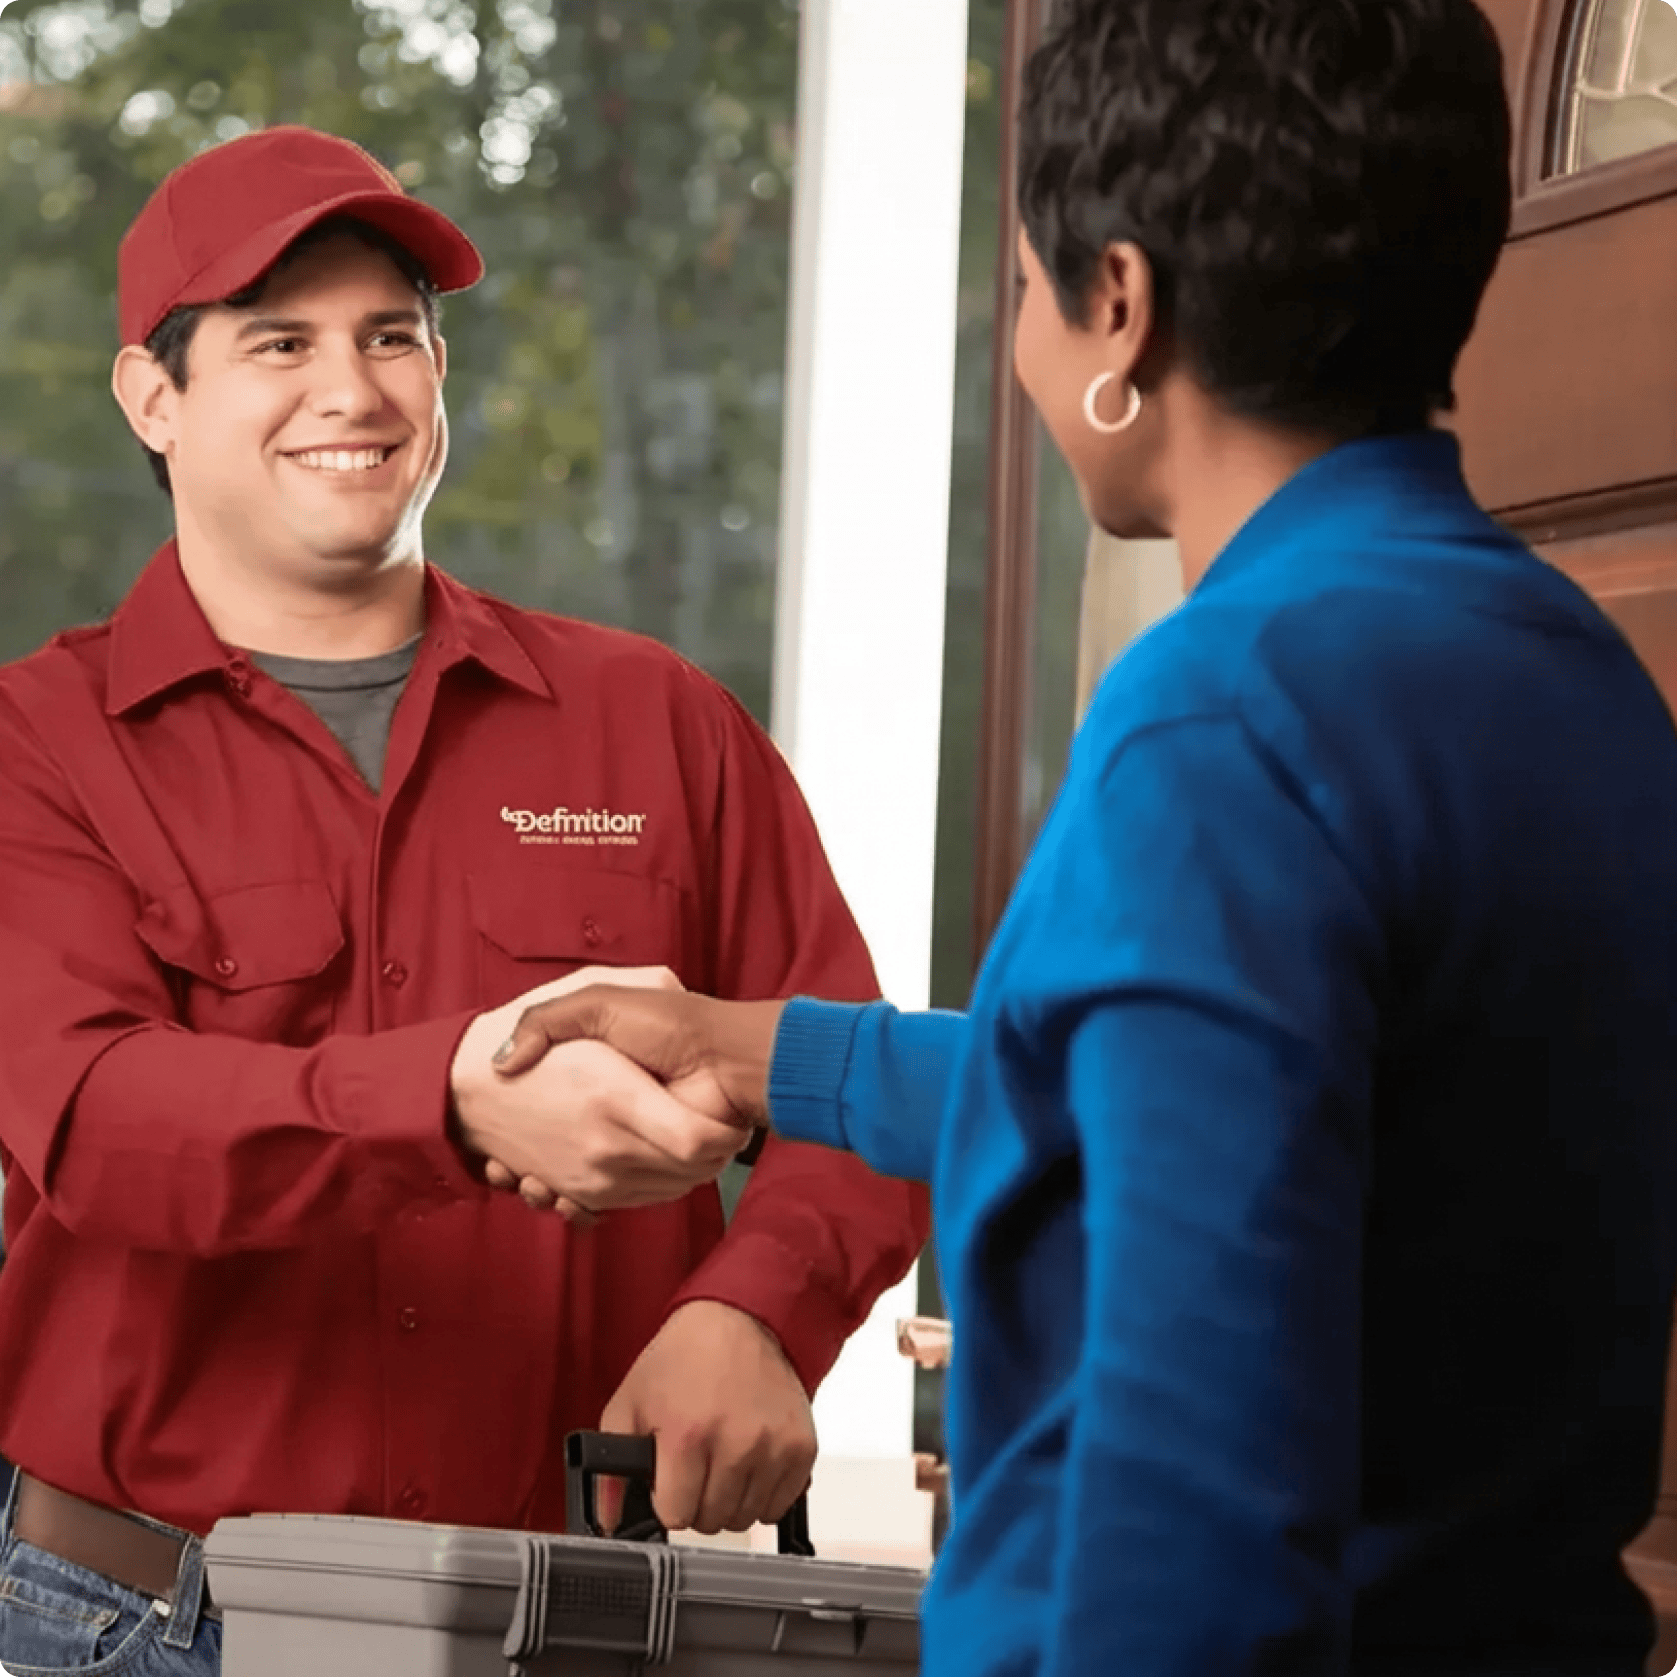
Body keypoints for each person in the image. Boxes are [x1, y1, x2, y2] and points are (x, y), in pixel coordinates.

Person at [484, 1, 1677, 1673]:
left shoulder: (1225, 724)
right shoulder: (1573, 677)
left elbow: (1196, 1486)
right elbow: (1273, 1119)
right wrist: (762, 1054)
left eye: (1029, 287)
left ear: (1118, 303)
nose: (1025, 337)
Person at [0, 125, 927, 1675]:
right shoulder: (36, 747)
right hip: (130, 1627)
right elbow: (98, 1117)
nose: (352, 392)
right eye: (279, 342)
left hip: (571, 1624)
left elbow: (857, 1082)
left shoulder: (659, 723)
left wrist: (757, 1312)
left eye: (393, 340)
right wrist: (446, 1101)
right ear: (153, 398)